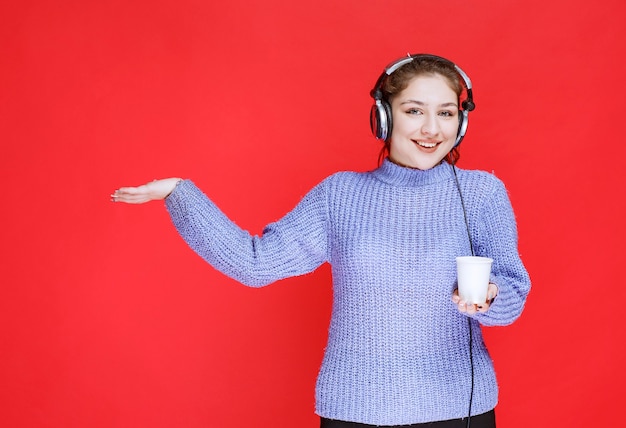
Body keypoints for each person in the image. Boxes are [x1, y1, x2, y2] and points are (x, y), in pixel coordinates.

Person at [111, 54, 531, 428]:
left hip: (458, 409)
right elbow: (256, 263)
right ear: (384, 117)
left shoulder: (481, 194)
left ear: (461, 123)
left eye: (445, 113)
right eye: (414, 110)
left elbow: (512, 290)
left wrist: (491, 298)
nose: (430, 128)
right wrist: (180, 194)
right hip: (355, 410)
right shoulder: (339, 195)